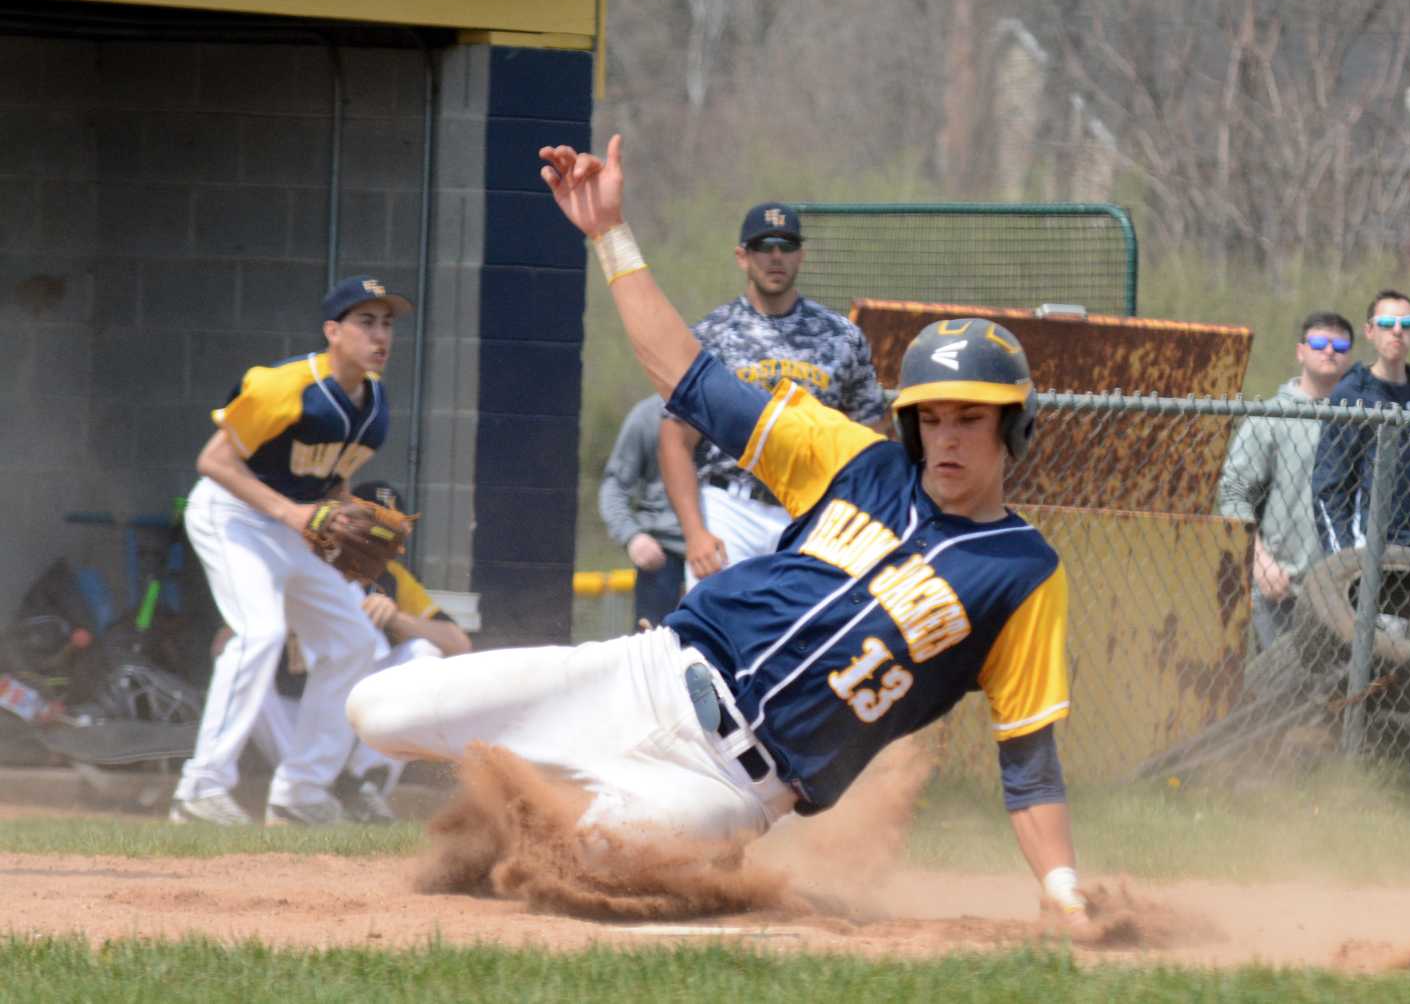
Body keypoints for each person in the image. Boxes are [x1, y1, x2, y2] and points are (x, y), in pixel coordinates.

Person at [348, 135, 1090, 923]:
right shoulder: (859, 463)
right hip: (644, 677)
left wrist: (1063, 890)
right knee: (377, 711)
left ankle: (628, 825)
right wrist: (610, 235)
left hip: (731, 783)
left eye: (970, 418)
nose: (946, 437)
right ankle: (573, 783)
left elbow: (1029, 758)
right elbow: (688, 380)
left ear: (1013, 428)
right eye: (931, 418)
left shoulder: (1022, 573)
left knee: (591, 855)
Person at [170, 276, 408, 827]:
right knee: (260, 634)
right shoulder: (284, 386)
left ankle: (301, 792)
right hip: (233, 513)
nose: (380, 335)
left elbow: (329, 480)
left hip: (292, 525)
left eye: (387, 324)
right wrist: (291, 514)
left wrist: (347, 516)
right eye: (365, 322)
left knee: (354, 642)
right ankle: (200, 789)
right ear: (333, 331)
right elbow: (213, 461)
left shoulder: (374, 404)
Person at [662, 203, 888, 598]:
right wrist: (695, 532)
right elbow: (674, 439)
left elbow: (873, 434)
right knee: (716, 625)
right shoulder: (710, 336)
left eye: (787, 245)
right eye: (764, 246)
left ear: (802, 255)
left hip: (813, 510)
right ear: (742, 256)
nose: (776, 256)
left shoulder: (841, 336)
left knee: (810, 627)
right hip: (731, 507)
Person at [246, 482, 472, 824]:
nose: (374, 537)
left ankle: (362, 781)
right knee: (251, 669)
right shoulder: (301, 565)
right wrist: (289, 628)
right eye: (369, 522)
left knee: (423, 651)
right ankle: (302, 784)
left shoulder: (393, 579)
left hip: (361, 722)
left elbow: (458, 643)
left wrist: (397, 618)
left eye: (386, 529)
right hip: (300, 719)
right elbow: (232, 639)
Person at [1216, 311, 1355, 651]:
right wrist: (1259, 562)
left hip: (1348, 590)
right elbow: (1233, 494)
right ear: (1300, 351)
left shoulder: (1362, 419)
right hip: (1282, 589)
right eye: (1319, 343)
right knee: (1281, 681)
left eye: (1339, 345)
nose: (1329, 351)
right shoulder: (1269, 419)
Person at [1310, 291, 1410, 559]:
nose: (1397, 331)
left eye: (1407, 323)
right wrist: (1345, 555)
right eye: (1386, 323)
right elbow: (1329, 486)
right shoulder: (1350, 394)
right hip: (1364, 549)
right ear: (1370, 331)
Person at [598, 395, 691, 627]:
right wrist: (632, 536)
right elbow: (615, 486)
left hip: (726, 556)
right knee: (652, 648)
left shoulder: (735, 412)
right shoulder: (647, 415)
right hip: (663, 558)